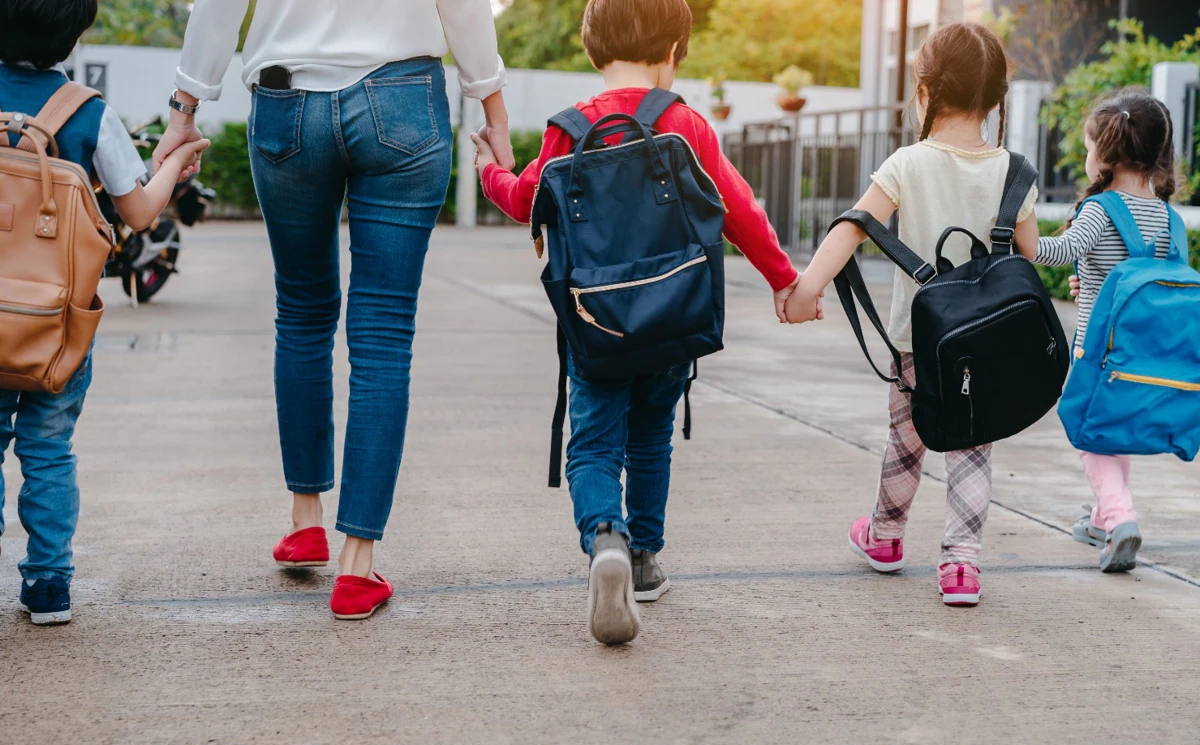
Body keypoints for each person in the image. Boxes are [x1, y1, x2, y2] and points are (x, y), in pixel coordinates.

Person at [155, 0, 513, 620]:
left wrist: (184, 111)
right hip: (402, 100)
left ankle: (305, 522)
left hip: (286, 102)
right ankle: (356, 566)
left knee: (300, 314)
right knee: (382, 335)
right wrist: (494, 110)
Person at [473, 0, 798, 643]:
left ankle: (605, 540)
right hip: (673, 319)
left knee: (593, 444)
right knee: (651, 436)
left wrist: (490, 168)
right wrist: (784, 280)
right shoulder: (684, 125)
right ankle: (645, 561)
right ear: (674, 50)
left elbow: (522, 201)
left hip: (596, 325)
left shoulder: (567, 130)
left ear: (594, 50)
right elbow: (741, 211)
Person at [784, 22, 1038, 607]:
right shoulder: (1015, 173)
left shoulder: (906, 163)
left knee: (906, 439)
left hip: (917, 342)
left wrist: (807, 288)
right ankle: (962, 568)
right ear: (999, 98)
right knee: (974, 443)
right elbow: (1029, 255)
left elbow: (854, 225)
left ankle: (887, 537)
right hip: (989, 345)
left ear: (923, 92)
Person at [0, 0, 208, 625]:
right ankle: (48, 586)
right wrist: (175, 160)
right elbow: (140, 213)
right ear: (75, 31)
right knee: (48, 450)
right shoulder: (86, 112)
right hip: (55, 327)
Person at [1034, 89, 1178, 572]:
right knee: (1114, 430)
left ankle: (1120, 517)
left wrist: (1019, 227)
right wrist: (1091, 280)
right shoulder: (1167, 216)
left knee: (1088, 433)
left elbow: (1056, 253)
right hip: (1144, 352)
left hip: (1095, 351)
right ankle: (1101, 516)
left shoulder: (1099, 209)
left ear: (1105, 153)